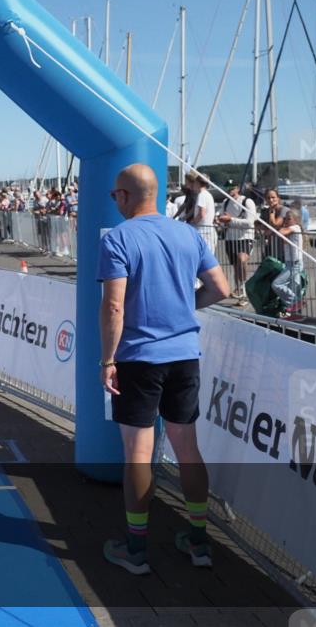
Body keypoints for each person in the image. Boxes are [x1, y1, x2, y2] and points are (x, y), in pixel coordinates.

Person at [98, 164, 230, 575]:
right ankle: (199, 542)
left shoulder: (119, 238)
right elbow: (221, 289)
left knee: (138, 454)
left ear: (122, 195)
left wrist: (107, 359)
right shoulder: (188, 234)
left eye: (113, 196)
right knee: (187, 448)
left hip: (139, 358)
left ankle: (136, 550)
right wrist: (180, 311)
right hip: (184, 355)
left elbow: (115, 306)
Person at [217, 183, 257, 301]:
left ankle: (244, 289)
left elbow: (250, 222)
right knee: (236, 267)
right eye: (228, 188)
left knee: (242, 259)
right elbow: (220, 217)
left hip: (245, 237)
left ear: (238, 189)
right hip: (230, 238)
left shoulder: (247, 202)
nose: (230, 190)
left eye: (233, 188)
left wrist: (231, 220)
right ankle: (239, 290)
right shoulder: (225, 202)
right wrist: (219, 220)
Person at [271, 208, 304, 319]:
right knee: (295, 288)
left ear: (296, 220)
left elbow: (279, 232)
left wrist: (276, 222)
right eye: (285, 218)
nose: (286, 221)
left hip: (295, 264)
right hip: (290, 263)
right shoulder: (289, 230)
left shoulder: (295, 227)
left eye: (289, 219)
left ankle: (295, 302)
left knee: (277, 284)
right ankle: (295, 314)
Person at [258, 188, 290, 262]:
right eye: (268, 198)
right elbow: (257, 224)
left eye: (273, 197)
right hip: (270, 245)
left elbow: (275, 224)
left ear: (278, 198)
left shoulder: (284, 210)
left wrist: (272, 212)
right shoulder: (265, 211)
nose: (271, 200)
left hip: (283, 246)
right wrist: (266, 228)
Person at [189, 172, 217, 254]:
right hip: (208, 230)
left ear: (198, 183)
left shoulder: (202, 195)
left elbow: (202, 214)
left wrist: (192, 222)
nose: (193, 185)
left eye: (194, 182)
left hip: (203, 231)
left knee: (204, 257)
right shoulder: (208, 194)